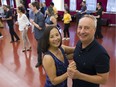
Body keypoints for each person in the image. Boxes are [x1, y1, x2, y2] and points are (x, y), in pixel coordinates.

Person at [67, 15, 110, 87]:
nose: (82, 31)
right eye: (80, 27)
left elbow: (103, 79)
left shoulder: (101, 54)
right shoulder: (79, 43)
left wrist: (79, 76)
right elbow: (80, 55)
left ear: (94, 30)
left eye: (86, 28)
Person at [30, 1, 45, 67]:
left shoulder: (40, 15)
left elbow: (40, 27)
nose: (31, 7)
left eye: (32, 6)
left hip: (41, 35)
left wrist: (32, 23)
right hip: (37, 34)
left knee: (39, 49)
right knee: (41, 49)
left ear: (35, 7)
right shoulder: (34, 14)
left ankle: (40, 62)